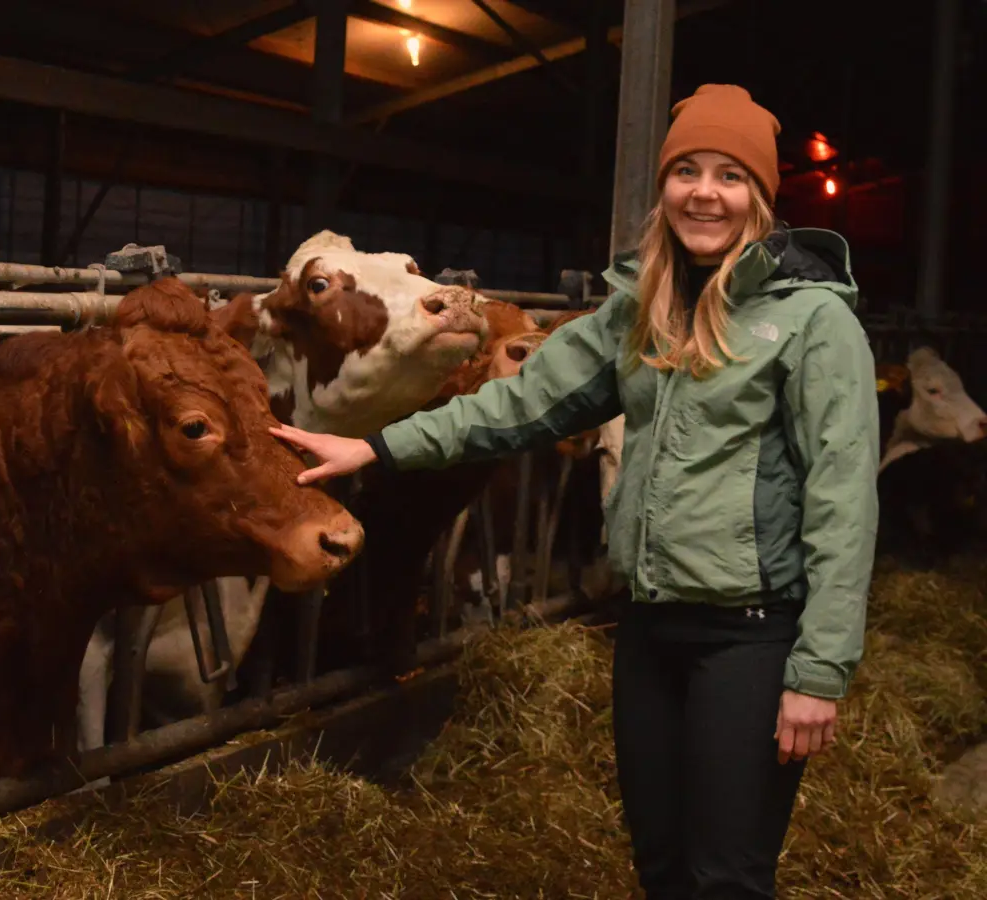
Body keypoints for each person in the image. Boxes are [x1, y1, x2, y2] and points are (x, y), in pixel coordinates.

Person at [272, 83, 878, 899]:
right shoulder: (640, 311)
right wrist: (377, 448)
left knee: (727, 877)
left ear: (762, 197)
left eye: (731, 176)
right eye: (687, 170)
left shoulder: (813, 321)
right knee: (661, 867)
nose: (705, 192)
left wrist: (820, 671)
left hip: (754, 636)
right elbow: (519, 404)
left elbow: (843, 499)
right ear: (664, 187)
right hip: (651, 630)